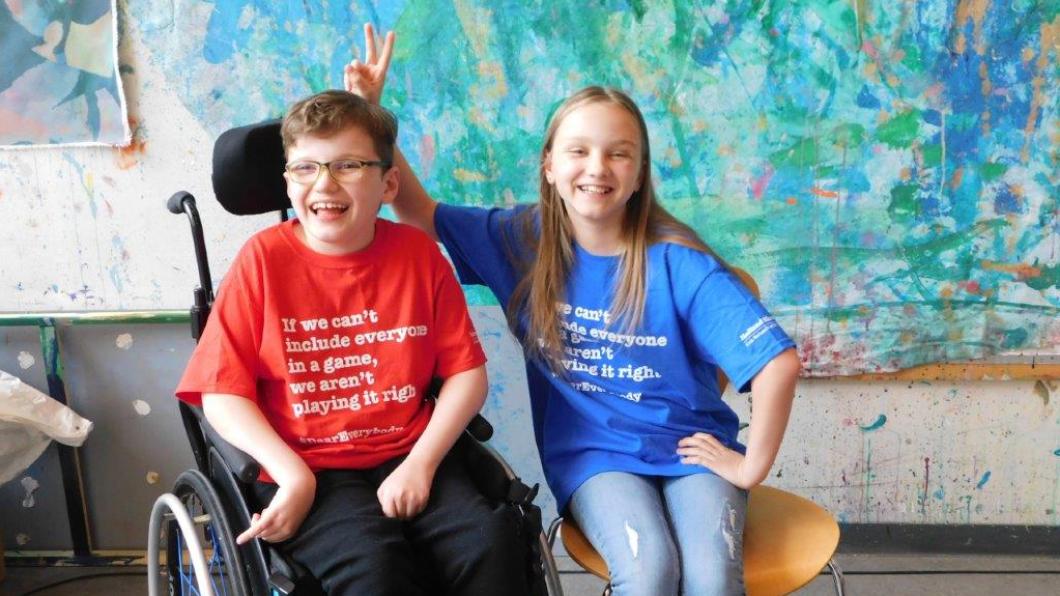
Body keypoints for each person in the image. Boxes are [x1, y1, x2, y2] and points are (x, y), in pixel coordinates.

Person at [346, 24, 802, 595]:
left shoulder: (677, 261)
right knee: (651, 568)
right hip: (595, 458)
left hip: (690, 451)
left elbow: (777, 363)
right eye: (579, 151)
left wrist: (749, 467)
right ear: (550, 166)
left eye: (619, 154)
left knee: (711, 578)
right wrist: (371, 114)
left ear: (638, 175)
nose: (598, 167)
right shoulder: (519, 240)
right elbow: (418, 212)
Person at [175, 89, 528, 596]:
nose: (324, 183)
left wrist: (422, 465)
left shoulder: (418, 256)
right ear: (287, 180)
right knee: (374, 566)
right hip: (307, 464)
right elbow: (222, 394)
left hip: (409, 450)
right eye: (305, 168)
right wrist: (292, 475)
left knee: (491, 541)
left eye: (347, 165)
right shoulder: (262, 261)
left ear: (388, 183)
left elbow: (466, 374)